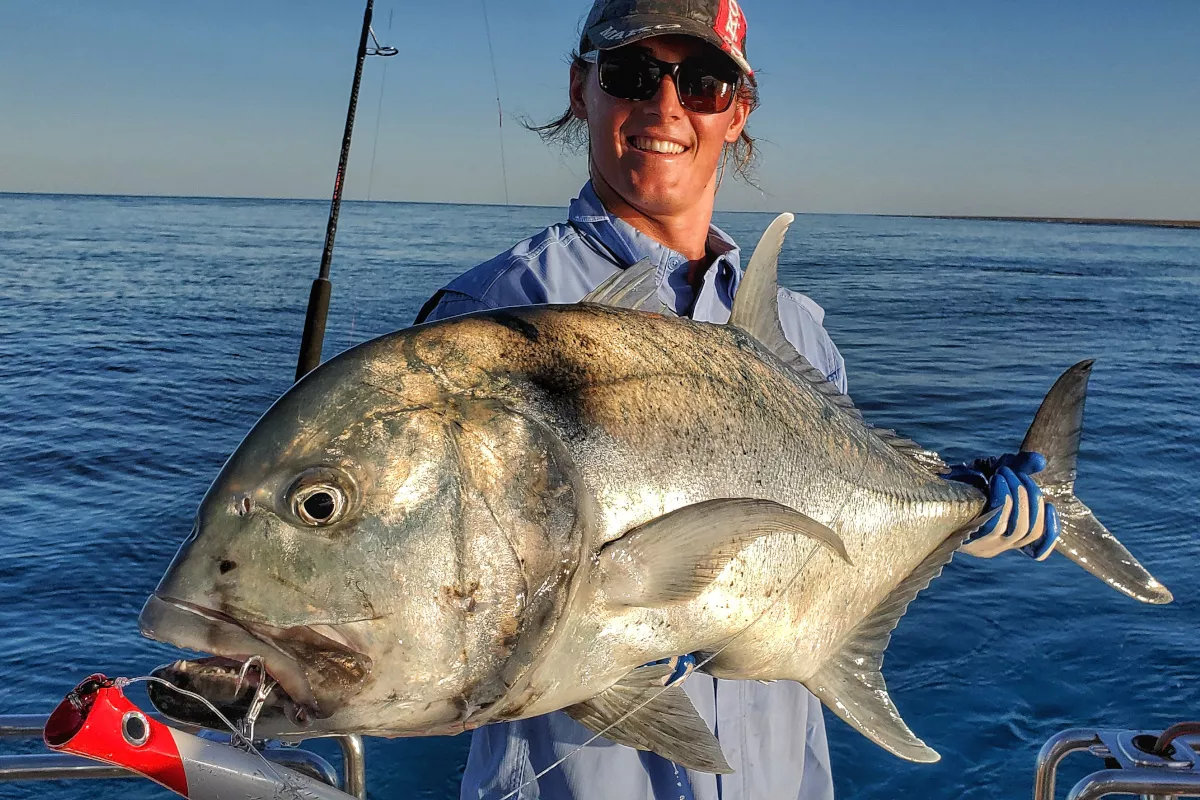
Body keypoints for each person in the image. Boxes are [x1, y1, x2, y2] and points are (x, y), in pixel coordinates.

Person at [415, 1, 1058, 797]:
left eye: (703, 83)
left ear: (738, 112)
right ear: (582, 89)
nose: (665, 107)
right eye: (632, 74)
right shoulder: (493, 318)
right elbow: (439, 600)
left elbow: (838, 554)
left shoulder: (799, 332)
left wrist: (954, 522)